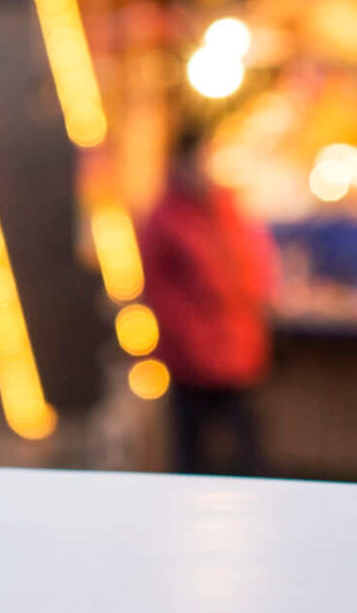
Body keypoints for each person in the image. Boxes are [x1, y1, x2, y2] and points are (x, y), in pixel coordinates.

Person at [138, 122, 273, 476]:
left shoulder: (227, 210)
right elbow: (162, 293)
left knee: (247, 455)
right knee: (192, 455)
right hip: (192, 359)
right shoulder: (166, 218)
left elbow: (254, 268)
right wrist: (194, 342)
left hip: (238, 352)